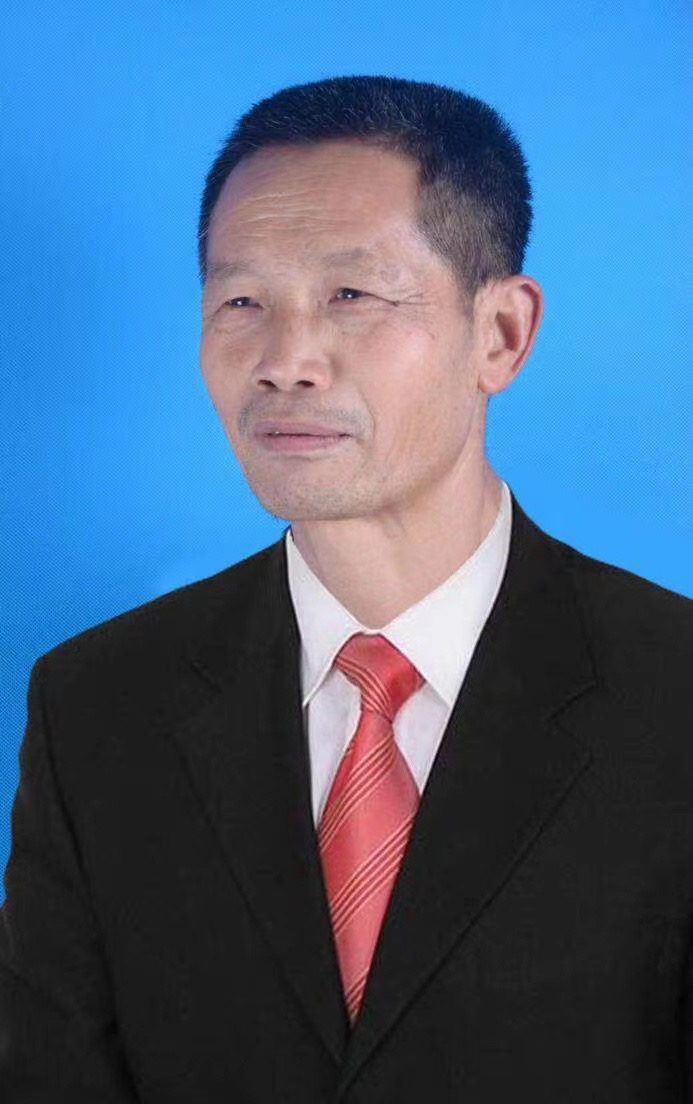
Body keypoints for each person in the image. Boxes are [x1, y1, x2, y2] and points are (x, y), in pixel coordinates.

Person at [0, 74, 691, 1102]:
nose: (285, 362)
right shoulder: (96, 705)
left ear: (500, 334)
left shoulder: (673, 694)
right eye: (241, 302)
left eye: (351, 296)